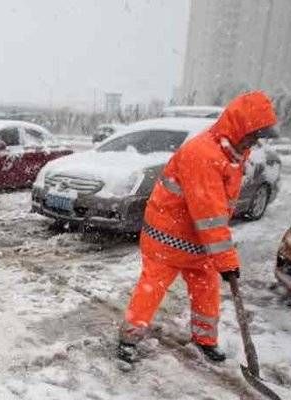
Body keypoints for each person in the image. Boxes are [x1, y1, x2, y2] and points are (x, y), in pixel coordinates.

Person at [117, 91, 279, 365]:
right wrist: (226, 260)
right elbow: (211, 216)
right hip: (166, 237)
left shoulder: (233, 154)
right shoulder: (203, 154)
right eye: (254, 134)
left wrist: (219, 255)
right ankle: (129, 340)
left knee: (207, 289)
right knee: (151, 289)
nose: (256, 141)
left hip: (198, 242)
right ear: (240, 126)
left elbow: (216, 215)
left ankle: (205, 340)